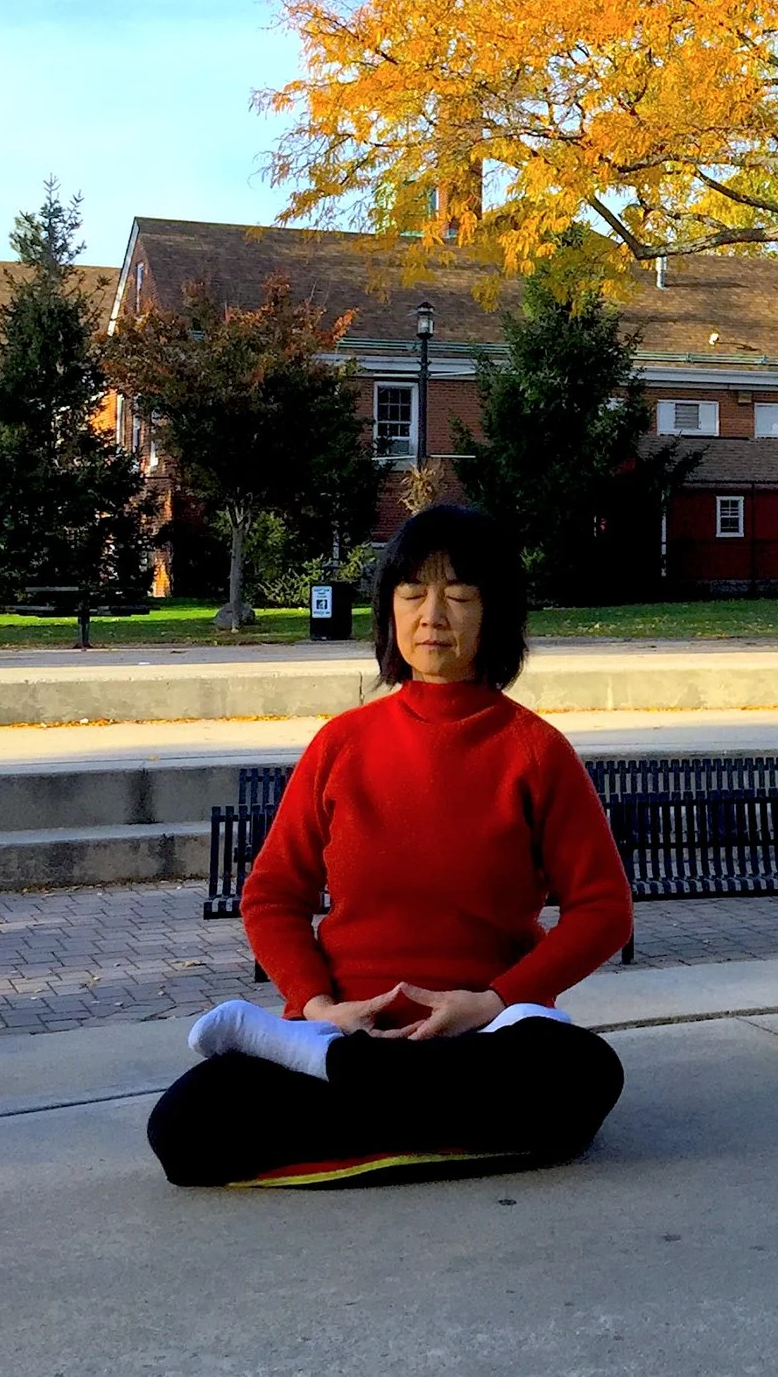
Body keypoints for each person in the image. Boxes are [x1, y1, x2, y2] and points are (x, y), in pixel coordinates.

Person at [146, 505, 633, 1189]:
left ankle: (367, 1126)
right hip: (347, 1037)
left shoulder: (535, 751)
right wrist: (317, 1006)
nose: (433, 615)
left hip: (478, 1040)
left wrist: (493, 1000)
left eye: (459, 595)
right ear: (389, 612)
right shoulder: (341, 744)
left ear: (494, 614)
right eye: (413, 594)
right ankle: (442, 1130)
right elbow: (273, 894)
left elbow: (604, 908)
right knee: (184, 1122)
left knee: (582, 1072)